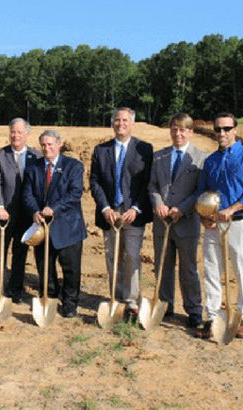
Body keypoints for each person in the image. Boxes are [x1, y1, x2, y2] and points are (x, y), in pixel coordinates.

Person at [196, 112, 243, 339]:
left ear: (236, 129)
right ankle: (213, 317)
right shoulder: (210, 161)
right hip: (213, 226)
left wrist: (232, 209)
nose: (222, 133)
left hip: (237, 224)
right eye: (218, 129)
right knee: (212, 270)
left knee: (242, 270)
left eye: (227, 129)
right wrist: (203, 216)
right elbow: (202, 191)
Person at [89, 107, 153, 323]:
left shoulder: (144, 149)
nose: (120, 124)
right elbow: (94, 181)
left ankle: (132, 302)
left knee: (133, 257)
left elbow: (147, 183)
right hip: (109, 213)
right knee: (112, 257)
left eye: (125, 120)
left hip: (133, 213)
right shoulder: (101, 150)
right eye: (117, 120)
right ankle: (116, 298)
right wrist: (105, 207)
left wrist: (136, 208)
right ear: (112, 123)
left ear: (133, 124)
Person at [148, 113, 207, 328]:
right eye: (174, 129)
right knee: (163, 266)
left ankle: (193, 310)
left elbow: (200, 191)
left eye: (183, 129)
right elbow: (152, 185)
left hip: (186, 223)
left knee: (188, 268)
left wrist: (182, 208)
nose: (178, 133)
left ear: (191, 131)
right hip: (162, 222)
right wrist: (158, 204)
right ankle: (165, 305)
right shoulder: (159, 156)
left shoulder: (201, 158)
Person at [22, 130, 87, 318]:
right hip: (42, 228)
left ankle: (69, 303)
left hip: (69, 227)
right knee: (45, 266)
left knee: (71, 269)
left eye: (50, 144)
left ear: (59, 144)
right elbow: (27, 193)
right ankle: (49, 297)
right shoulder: (33, 167)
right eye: (43, 144)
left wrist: (54, 208)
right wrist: (35, 211)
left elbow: (75, 193)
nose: (46, 148)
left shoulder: (73, 166)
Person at [0, 118, 42, 303]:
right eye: (13, 131)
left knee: (20, 254)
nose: (15, 135)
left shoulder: (37, 157)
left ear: (27, 134)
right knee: (0, 253)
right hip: (4, 215)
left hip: (26, 216)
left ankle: (16, 291)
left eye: (19, 132)